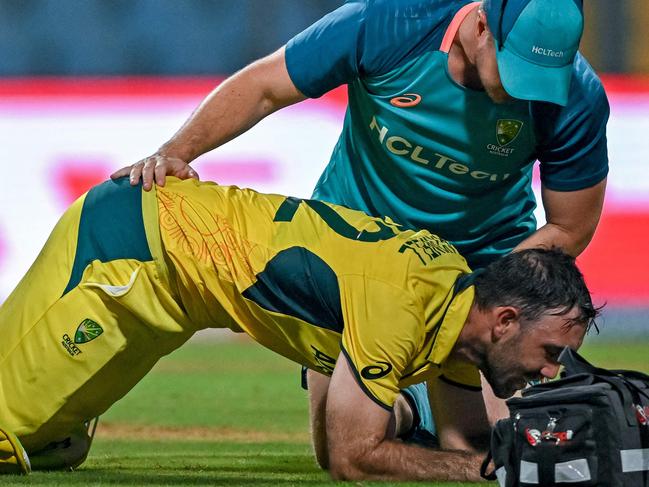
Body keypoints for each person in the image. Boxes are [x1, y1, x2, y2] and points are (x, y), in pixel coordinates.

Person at [110, 0, 609, 463]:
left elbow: (569, 226)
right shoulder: (390, 23)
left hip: (484, 264)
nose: (529, 90)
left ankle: (417, 406)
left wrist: (480, 293)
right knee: (339, 448)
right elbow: (264, 87)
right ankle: (410, 404)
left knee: (502, 448)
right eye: (519, 69)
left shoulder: (575, 96)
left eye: (545, 76)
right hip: (356, 255)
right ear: (481, 27)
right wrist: (178, 151)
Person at [0, 177, 598, 480]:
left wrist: (544, 462)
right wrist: (490, 469)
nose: (550, 370)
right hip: (130, 249)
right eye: (550, 351)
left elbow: (465, 446)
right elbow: (350, 458)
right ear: (506, 320)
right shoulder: (401, 307)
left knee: (54, 447)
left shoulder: (458, 303)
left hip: (175, 290)